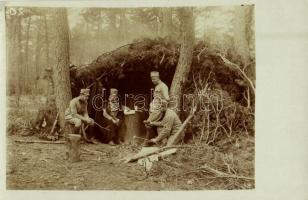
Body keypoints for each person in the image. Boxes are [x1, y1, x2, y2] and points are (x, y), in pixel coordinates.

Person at [144, 71, 170, 140]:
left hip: (158, 110)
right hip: (153, 109)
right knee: (154, 125)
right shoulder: (157, 86)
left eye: (154, 79)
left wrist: (163, 109)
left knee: (148, 124)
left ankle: (148, 141)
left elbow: (166, 99)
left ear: (158, 77)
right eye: (151, 79)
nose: (152, 81)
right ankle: (157, 140)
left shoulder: (163, 86)